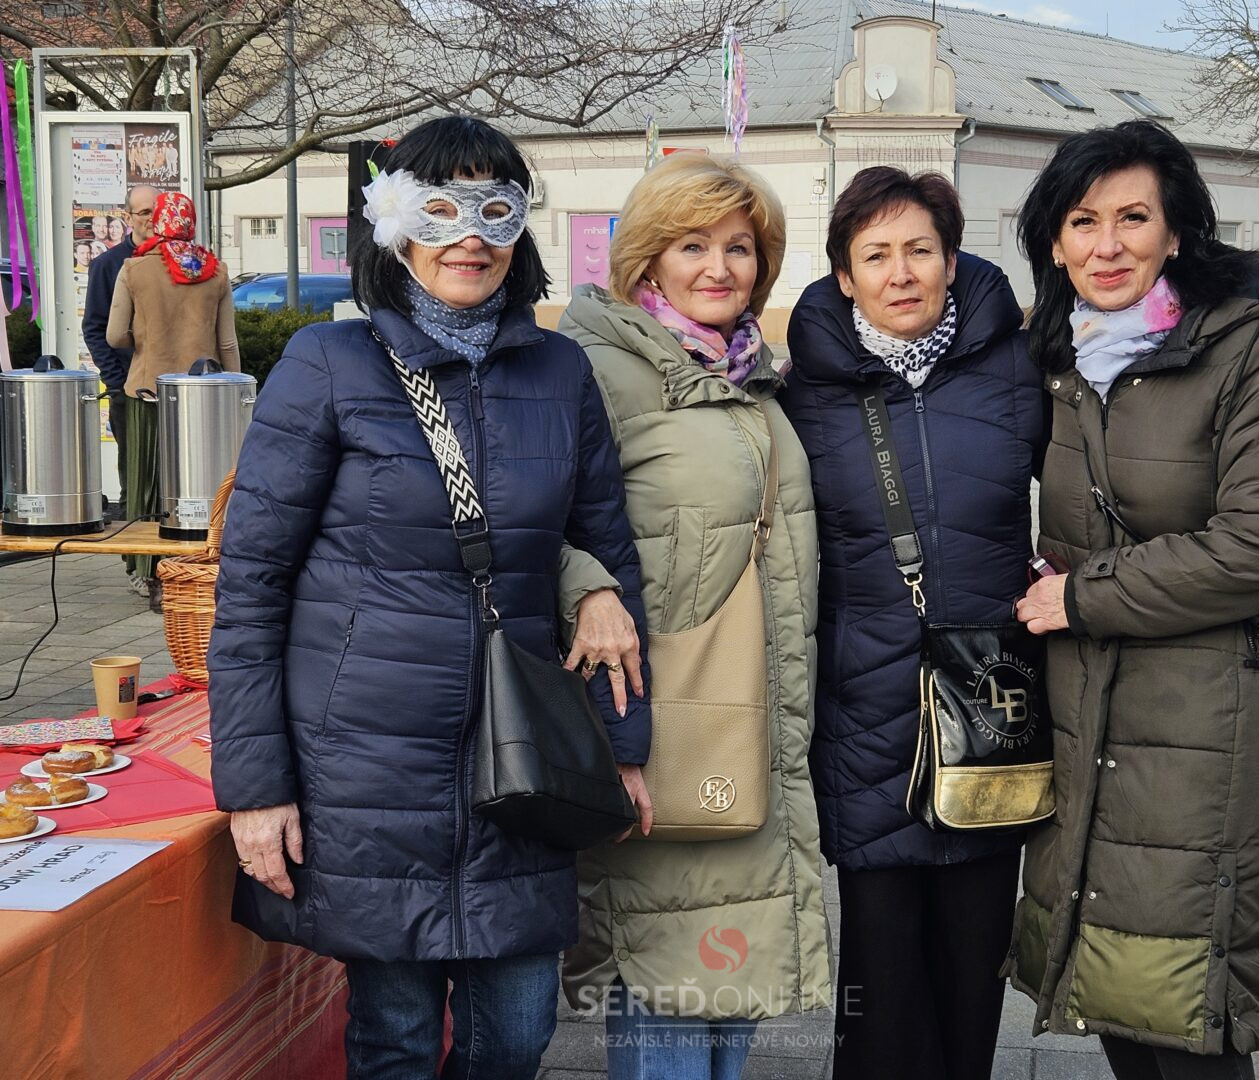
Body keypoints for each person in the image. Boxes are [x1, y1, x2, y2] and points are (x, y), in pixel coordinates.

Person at [206, 115, 651, 1079]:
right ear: (395, 225)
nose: (470, 237)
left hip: (522, 751)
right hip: (367, 768)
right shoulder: (329, 365)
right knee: (397, 1038)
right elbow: (251, 588)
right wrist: (255, 787)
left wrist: (624, 744)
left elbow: (604, 545)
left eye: (495, 210)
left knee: (518, 1036)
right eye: (441, 208)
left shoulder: (561, 371)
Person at [1006, 119, 1259, 1079]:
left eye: (1133, 218)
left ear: (1177, 231)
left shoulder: (1258, 355)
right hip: (1091, 715)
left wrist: (1081, 598)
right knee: (1118, 991)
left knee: (1188, 1012)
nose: (1107, 246)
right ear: (1054, 245)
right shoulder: (1062, 361)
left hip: (1214, 723)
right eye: (1083, 222)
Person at [556, 152, 831, 1080]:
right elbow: (528, 522)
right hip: (661, 724)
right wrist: (587, 589)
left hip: (750, 727)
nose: (720, 267)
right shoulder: (602, 371)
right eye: (692, 245)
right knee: (670, 985)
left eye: (740, 247)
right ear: (646, 257)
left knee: (728, 985)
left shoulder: (747, 372)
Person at [780, 167, 1046, 1079]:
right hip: (867, 713)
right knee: (881, 988)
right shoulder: (804, 393)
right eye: (876, 255)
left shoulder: (1018, 369)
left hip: (989, 707)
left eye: (920, 251)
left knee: (974, 974)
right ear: (844, 275)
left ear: (952, 259)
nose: (901, 273)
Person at [106, 190, 239, 612]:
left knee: (148, 484)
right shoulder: (216, 272)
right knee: (201, 486)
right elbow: (228, 343)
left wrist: (146, 337)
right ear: (190, 223)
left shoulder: (134, 268)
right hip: (204, 395)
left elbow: (114, 336)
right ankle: (199, 565)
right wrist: (237, 388)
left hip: (148, 392)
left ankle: (151, 576)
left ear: (159, 222)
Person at [83, 184, 157, 541]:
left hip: (169, 388)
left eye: (157, 210)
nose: (152, 218)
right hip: (128, 388)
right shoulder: (109, 265)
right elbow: (95, 329)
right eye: (144, 212)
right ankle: (133, 559)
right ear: (128, 217)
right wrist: (116, 381)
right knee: (135, 476)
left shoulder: (176, 262)